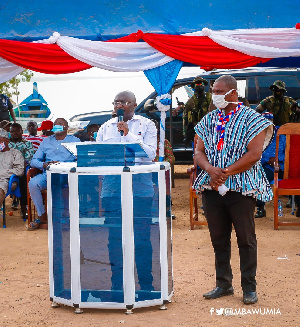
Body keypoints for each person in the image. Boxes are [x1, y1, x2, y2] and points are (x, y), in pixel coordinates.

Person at [193, 75, 274, 305]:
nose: (214, 95)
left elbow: (254, 154)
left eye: (219, 91)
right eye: (213, 91)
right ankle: (223, 284)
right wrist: (210, 170)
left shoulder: (252, 119)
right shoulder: (208, 120)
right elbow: (199, 151)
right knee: (218, 238)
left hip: (242, 187)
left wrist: (225, 172)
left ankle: (249, 287)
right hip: (212, 187)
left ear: (233, 93)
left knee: (245, 238)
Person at [96, 90, 157, 291]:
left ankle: (146, 285)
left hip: (140, 189)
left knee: (141, 238)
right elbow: (98, 157)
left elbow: (149, 155)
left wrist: (127, 134)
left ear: (134, 104)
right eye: (116, 102)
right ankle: (117, 285)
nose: (119, 105)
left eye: (124, 102)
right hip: (112, 190)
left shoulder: (146, 125)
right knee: (114, 239)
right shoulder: (105, 127)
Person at [27, 118, 80, 230]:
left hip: (67, 175)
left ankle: (64, 218)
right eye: (55, 124)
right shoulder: (46, 141)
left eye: (60, 124)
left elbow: (81, 159)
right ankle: (42, 217)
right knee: (33, 183)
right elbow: (34, 160)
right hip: (48, 174)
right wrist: (44, 165)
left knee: (62, 186)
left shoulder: (74, 140)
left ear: (66, 127)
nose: (57, 125)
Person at [255, 112, 286, 218]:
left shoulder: (281, 134)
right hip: (263, 165)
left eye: (270, 120)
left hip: (280, 167)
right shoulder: (258, 134)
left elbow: (289, 152)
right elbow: (254, 153)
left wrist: (277, 160)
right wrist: (268, 160)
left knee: (261, 177)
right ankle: (260, 208)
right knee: (257, 177)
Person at [173, 76, 212, 146]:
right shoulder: (190, 101)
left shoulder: (210, 98)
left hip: (209, 130)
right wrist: (185, 134)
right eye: (197, 85)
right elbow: (185, 117)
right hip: (196, 130)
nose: (199, 86)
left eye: (201, 84)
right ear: (194, 87)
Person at [9, 123, 35, 218]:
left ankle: (24, 208)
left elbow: (29, 159)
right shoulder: (7, 144)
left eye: (17, 131)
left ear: (22, 132)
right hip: (7, 169)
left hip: (21, 169)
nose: (14, 133)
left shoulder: (27, 143)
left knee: (23, 179)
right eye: (12, 131)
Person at [0, 128, 24, 209]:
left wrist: (3, 173)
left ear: (7, 141)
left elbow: (20, 170)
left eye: (0, 141)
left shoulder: (15, 153)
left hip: (4, 180)